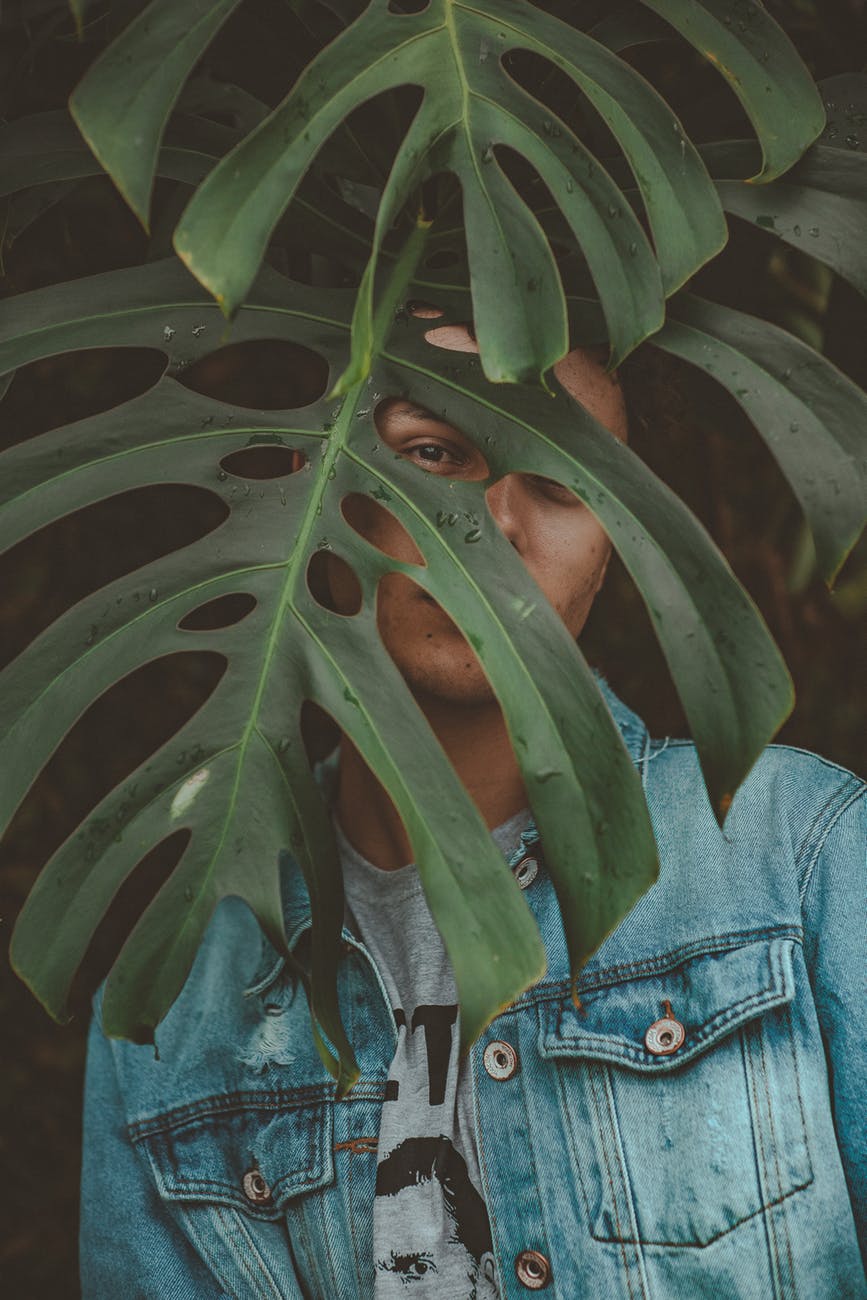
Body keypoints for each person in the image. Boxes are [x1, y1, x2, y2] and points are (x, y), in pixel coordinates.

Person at [79, 331, 866, 1299]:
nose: (492, 527)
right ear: (309, 483)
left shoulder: (799, 854)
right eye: (434, 453)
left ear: (614, 543)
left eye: (562, 480)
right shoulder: (179, 993)